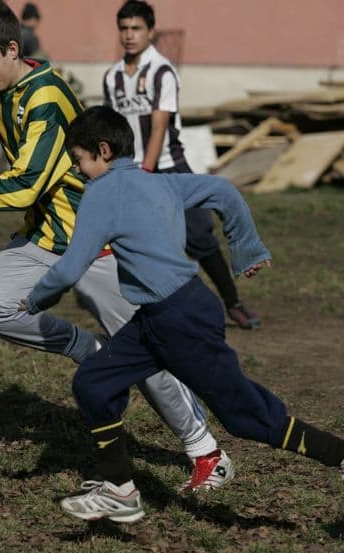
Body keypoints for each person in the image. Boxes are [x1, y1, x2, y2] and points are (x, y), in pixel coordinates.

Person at [0, 0, 234, 492]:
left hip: (96, 241)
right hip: (45, 236)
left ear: (13, 50)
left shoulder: (46, 101)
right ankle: (88, 348)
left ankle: (207, 451)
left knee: (149, 348)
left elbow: (19, 189)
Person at [21, 106, 344, 523]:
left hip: (179, 320)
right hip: (163, 315)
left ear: (102, 151)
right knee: (93, 382)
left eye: (80, 159)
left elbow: (70, 266)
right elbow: (224, 190)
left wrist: (33, 302)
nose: (79, 169)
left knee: (245, 416)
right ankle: (120, 489)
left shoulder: (102, 193)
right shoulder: (159, 183)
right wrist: (245, 247)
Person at [103, 0, 260, 330]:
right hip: (131, 171)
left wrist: (145, 174)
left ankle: (233, 303)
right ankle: (151, 312)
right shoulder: (112, 77)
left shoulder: (162, 72)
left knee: (199, 237)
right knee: (137, 243)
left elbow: (159, 127)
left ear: (150, 31)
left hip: (167, 168)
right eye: (124, 28)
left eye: (136, 28)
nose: (129, 35)